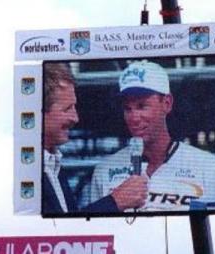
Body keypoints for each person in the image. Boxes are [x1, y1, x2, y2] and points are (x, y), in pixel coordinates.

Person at [90, 60, 215, 212]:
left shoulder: (208, 168)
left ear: (167, 103)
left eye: (142, 106)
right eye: (127, 108)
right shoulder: (104, 171)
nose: (134, 118)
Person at [43, 63, 147, 214]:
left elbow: (69, 222)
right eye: (67, 109)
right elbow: (53, 233)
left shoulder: (54, 165)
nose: (75, 118)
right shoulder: (26, 171)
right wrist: (115, 202)